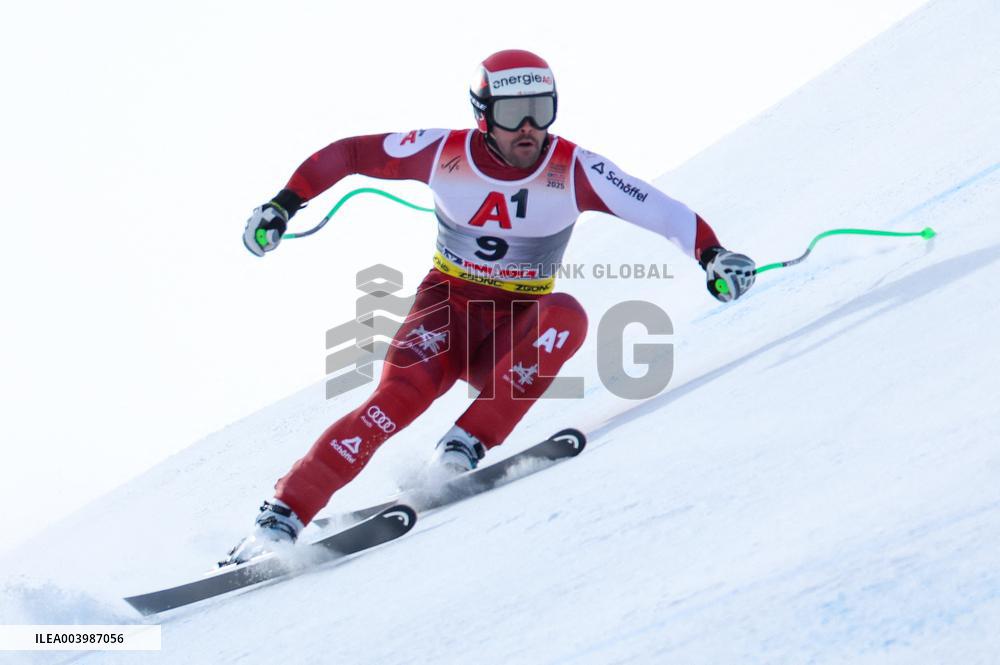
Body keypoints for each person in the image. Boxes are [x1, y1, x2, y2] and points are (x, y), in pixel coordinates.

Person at [225, 49, 755, 564]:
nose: (528, 127)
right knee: (397, 401)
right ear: (483, 116)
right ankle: (283, 513)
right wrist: (282, 204)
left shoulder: (573, 167)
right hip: (448, 309)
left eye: (541, 111)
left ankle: (462, 447)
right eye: (511, 114)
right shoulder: (443, 152)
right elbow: (349, 153)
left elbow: (659, 209)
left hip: (512, 327)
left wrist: (713, 254)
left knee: (566, 316)